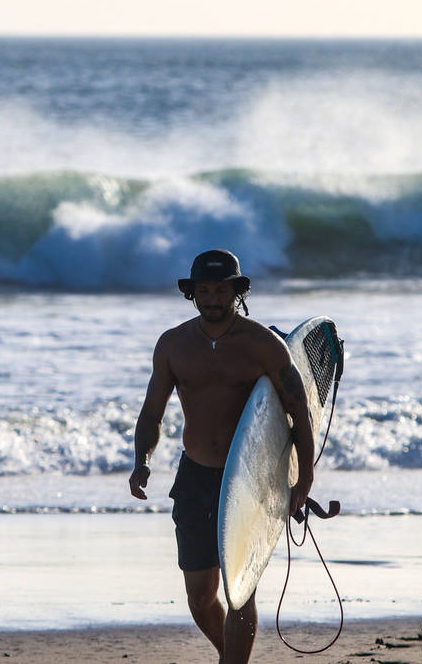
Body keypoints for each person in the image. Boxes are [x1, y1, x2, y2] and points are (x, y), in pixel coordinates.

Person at [128, 249, 314, 664]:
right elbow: (152, 411)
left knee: (239, 587)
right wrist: (142, 460)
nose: (212, 298)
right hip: (194, 477)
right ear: (192, 293)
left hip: (248, 480)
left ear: (237, 292)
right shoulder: (174, 344)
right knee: (200, 597)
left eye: (221, 290)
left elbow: (300, 410)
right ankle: (230, 656)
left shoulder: (262, 345)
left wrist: (304, 478)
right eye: (204, 291)